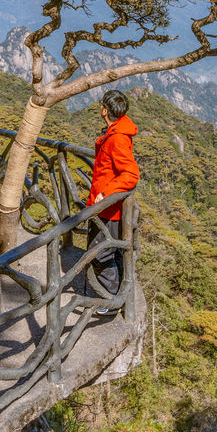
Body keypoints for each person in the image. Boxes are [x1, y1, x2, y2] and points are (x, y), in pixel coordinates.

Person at [86, 89, 139, 307]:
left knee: (102, 254)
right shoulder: (116, 131)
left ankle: (108, 302)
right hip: (108, 207)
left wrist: (105, 193)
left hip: (109, 209)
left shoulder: (117, 138)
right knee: (113, 252)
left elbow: (131, 174)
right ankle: (118, 296)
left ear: (105, 110)